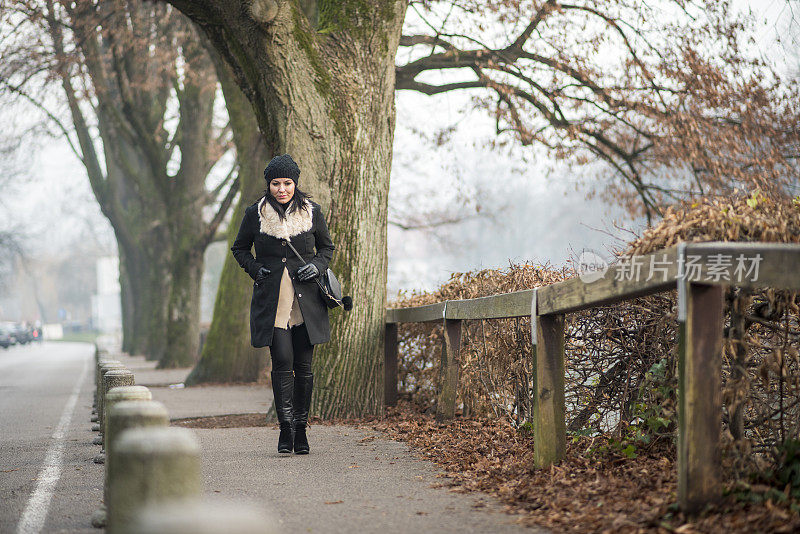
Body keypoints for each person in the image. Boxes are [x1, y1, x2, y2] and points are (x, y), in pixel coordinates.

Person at [231, 153, 335, 455]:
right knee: (282, 362)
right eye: (276, 183)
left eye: (287, 183)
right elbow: (239, 248)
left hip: (307, 304)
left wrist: (316, 266)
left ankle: (301, 430)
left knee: (304, 367)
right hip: (273, 303)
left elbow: (326, 247)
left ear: (295, 183)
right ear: (269, 184)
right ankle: (285, 428)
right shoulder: (255, 214)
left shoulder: (312, 212)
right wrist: (254, 268)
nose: (282, 189)